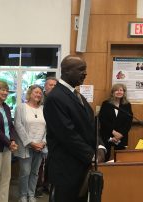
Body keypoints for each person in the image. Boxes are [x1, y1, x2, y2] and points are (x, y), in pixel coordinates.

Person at [43, 55, 105, 202]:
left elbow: (92, 126)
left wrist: (100, 146)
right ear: (66, 71)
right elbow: (67, 134)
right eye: (81, 70)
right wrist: (93, 156)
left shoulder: (78, 96)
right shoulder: (55, 98)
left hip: (81, 167)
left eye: (86, 70)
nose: (85, 73)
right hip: (66, 169)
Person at [14, 84, 46, 202]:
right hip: (26, 146)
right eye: (35, 92)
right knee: (25, 172)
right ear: (30, 94)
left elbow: (48, 128)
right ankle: (23, 195)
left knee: (35, 172)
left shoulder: (43, 109)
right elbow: (18, 125)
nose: (38, 94)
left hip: (40, 147)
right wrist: (30, 143)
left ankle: (31, 194)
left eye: (40, 93)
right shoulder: (21, 107)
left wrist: (43, 142)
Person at [35, 77, 58, 198]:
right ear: (45, 86)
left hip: (55, 136)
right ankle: (37, 186)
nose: (53, 87)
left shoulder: (60, 99)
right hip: (40, 135)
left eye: (55, 85)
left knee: (50, 162)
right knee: (39, 164)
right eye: (50, 85)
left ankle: (47, 184)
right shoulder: (40, 100)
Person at [99, 83, 133, 161]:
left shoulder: (127, 105)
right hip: (107, 135)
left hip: (121, 136)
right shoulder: (106, 104)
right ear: (113, 92)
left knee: (120, 159)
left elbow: (128, 122)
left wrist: (120, 134)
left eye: (121, 90)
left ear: (124, 92)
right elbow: (103, 120)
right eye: (116, 90)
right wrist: (113, 132)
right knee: (105, 157)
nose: (119, 92)